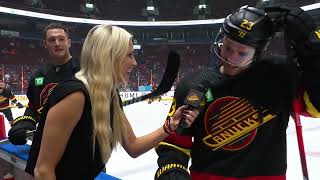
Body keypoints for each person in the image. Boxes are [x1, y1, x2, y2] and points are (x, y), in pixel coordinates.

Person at [155, 5, 320, 180]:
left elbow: (317, 107)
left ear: (258, 52)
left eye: (242, 53)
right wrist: (171, 171)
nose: (231, 58)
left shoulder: (278, 76)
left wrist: (313, 49)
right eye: (228, 47)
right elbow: (173, 144)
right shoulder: (195, 85)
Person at [24, 24, 199, 180]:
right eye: (129, 55)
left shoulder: (110, 94)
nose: (135, 62)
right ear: (110, 57)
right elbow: (43, 170)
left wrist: (171, 125)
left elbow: (133, 146)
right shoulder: (75, 96)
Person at [8, 22, 80, 145]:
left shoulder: (85, 72)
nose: (57, 43)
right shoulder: (38, 76)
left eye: (61, 39)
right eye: (52, 40)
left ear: (69, 42)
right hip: (47, 143)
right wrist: (24, 124)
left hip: (80, 143)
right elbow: (34, 108)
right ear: (45, 44)